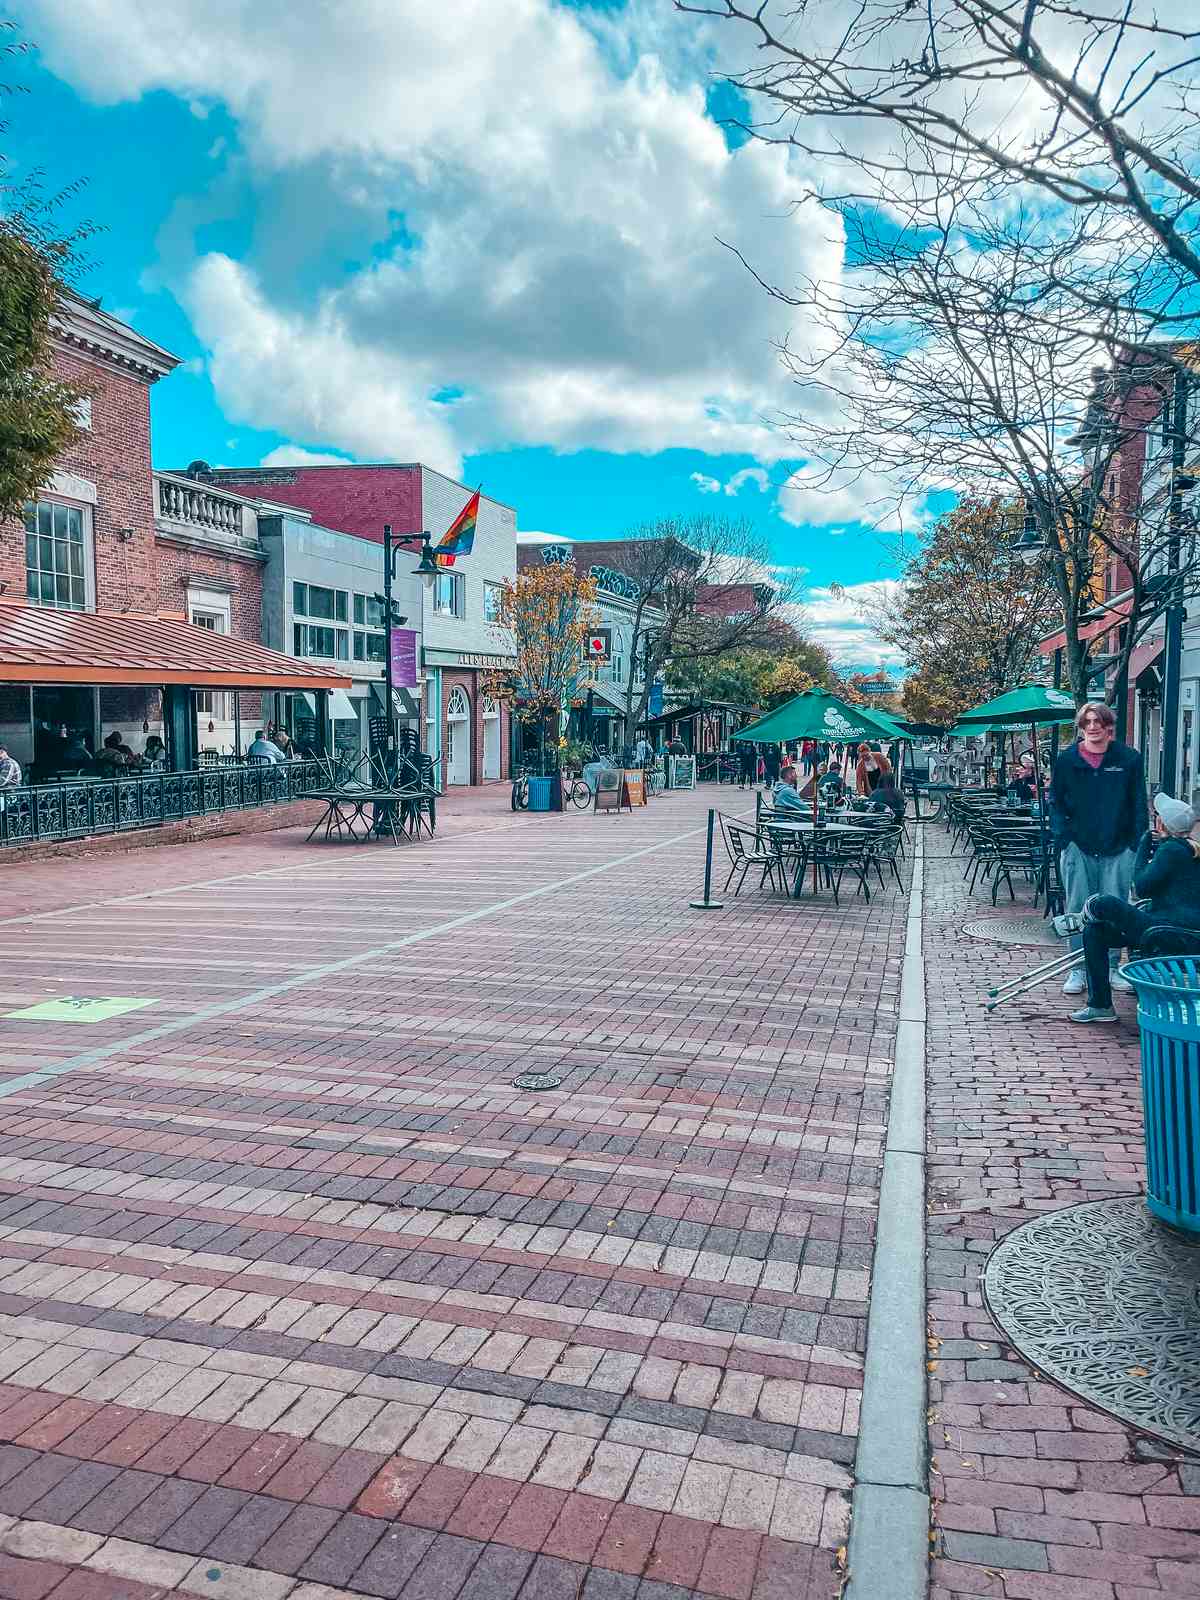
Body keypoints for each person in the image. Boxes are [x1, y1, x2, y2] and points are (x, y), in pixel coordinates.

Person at [1070, 792, 1200, 1023]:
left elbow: (1140, 887)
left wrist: (1143, 846)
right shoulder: (1191, 850)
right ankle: (1099, 1006)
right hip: (1181, 930)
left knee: (1103, 903)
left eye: (1156, 815)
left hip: (1166, 930)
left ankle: (1079, 920)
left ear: (1161, 823)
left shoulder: (1171, 850)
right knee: (1095, 932)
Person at [1050, 701, 1147, 997]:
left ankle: (1113, 967)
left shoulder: (1129, 759)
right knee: (1078, 908)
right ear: (1081, 727)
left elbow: (1138, 802)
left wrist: (1134, 844)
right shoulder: (1067, 760)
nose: (1092, 727)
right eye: (1087, 722)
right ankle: (1078, 969)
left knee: (1116, 909)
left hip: (1118, 848)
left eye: (1098, 722)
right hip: (1078, 847)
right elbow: (1055, 801)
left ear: (1108, 727)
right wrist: (1063, 837)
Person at [0, 745, 21, 809]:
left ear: (1, 752)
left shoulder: (9, 763)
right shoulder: (3, 763)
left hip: (9, 795)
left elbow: (1, 781)